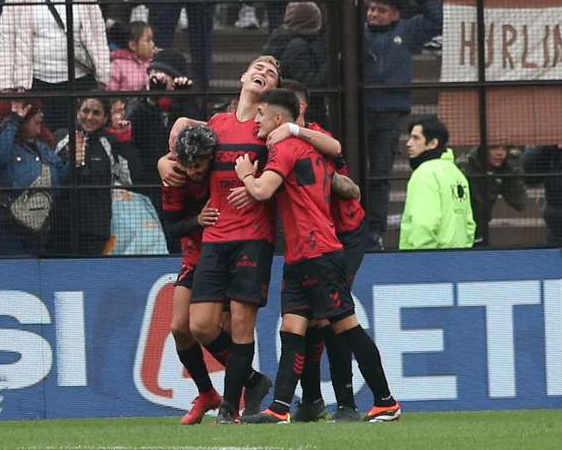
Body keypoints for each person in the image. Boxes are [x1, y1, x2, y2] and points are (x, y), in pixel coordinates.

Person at [234, 89, 401, 424]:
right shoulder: (313, 143)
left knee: (347, 328)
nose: (256, 119)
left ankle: (385, 401)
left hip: (318, 252)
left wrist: (246, 176)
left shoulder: (284, 147)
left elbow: (263, 190)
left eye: (262, 113)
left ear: (278, 119)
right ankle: (280, 408)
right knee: (292, 329)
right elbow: (336, 150)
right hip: (300, 255)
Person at [158, 55, 283, 424]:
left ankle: (231, 407)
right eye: (258, 67)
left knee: (239, 324)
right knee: (198, 326)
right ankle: (248, 384)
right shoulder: (215, 124)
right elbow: (180, 141)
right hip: (213, 238)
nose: (263, 72)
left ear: (273, 91)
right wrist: (163, 162)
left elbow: (287, 169)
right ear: (243, 76)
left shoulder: (270, 132)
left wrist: (258, 188)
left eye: (271, 73)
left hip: (252, 237)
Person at [277, 79, 375, 423]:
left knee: (331, 319)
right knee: (308, 321)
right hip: (311, 241)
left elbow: (348, 187)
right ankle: (313, 400)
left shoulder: (316, 138)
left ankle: (347, 403)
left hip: (342, 236)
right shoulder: (275, 140)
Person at [0, 0, 110, 132]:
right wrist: (6, 82)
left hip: (78, 80)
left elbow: (98, 34)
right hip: (36, 82)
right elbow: (6, 39)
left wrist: (103, 74)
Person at [363, 0, 442, 245]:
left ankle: (375, 231)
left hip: (389, 115)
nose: (373, 14)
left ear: (396, 13)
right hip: (357, 113)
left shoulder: (408, 31)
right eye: (371, 9)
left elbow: (438, 21)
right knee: (350, 172)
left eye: (381, 10)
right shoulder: (358, 32)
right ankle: (351, 226)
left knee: (380, 174)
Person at [160, 125, 224, 424]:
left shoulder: (222, 165)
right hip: (194, 257)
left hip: (226, 256)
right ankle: (208, 393)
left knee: (219, 327)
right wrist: (198, 220)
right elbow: (170, 228)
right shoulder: (174, 176)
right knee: (179, 327)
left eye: (198, 166)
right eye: (188, 166)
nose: (193, 172)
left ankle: (239, 393)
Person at [0, 99, 75, 255]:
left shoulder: (41, 148)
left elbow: (57, 183)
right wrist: (13, 121)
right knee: (13, 276)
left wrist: (74, 162)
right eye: (35, 112)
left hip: (31, 230)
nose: (41, 116)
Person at [52, 96, 136, 254]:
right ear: (78, 112)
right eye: (85, 111)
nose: (89, 117)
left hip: (95, 227)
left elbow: (128, 179)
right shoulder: (61, 137)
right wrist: (73, 162)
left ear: (105, 118)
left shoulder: (110, 142)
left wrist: (125, 142)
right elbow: (51, 178)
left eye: (96, 113)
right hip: (60, 226)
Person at [128, 50, 196, 217]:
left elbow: (197, 135)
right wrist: (152, 100)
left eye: (162, 76)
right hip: (147, 186)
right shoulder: (139, 105)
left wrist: (183, 101)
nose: (156, 79)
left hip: (184, 187)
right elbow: (134, 134)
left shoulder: (189, 103)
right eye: (152, 74)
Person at [399, 118, 475, 250]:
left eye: (416, 138)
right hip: (459, 258)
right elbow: (469, 224)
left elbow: (424, 223)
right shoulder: (457, 173)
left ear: (433, 143)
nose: (409, 143)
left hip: (428, 261)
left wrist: (419, 260)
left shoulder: (424, 173)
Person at [262, 2, 328, 126]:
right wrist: (331, 64)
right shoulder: (298, 47)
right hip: (303, 115)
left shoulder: (280, 41)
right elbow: (310, 84)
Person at [458, 144, 527, 245]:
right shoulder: (465, 166)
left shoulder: (504, 168)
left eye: (504, 148)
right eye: (494, 148)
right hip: (458, 230)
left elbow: (519, 203)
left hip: (481, 231)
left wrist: (514, 173)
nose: (500, 153)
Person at [108, 21, 155, 92]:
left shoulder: (153, 64)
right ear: (133, 45)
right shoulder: (117, 65)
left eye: (152, 40)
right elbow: (110, 91)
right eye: (148, 40)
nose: (152, 44)